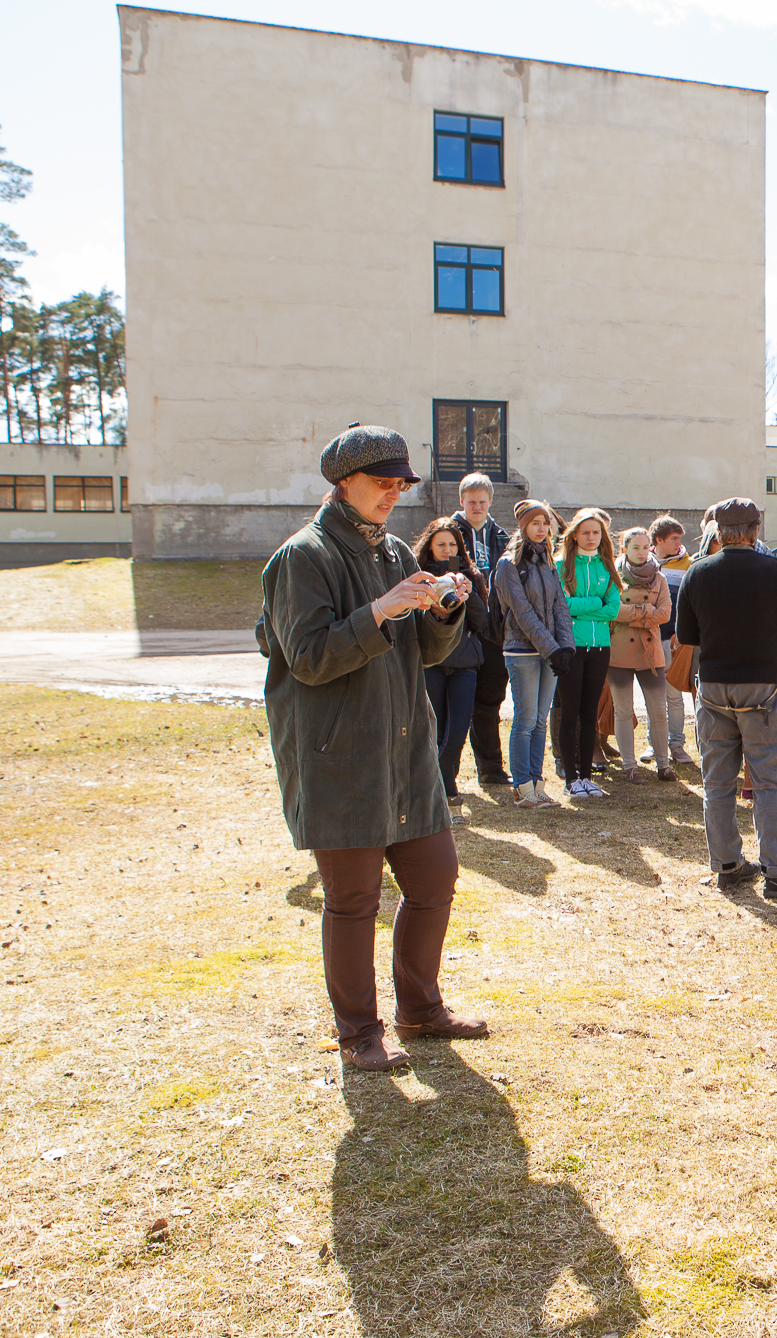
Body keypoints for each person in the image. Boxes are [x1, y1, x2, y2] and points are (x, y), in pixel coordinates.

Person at [259, 425, 487, 1073]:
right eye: (382, 481)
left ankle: (420, 1008)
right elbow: (305, 657)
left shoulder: (390, 552)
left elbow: (420, 652)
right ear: (343, 483)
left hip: (405, 751)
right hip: (340, 757)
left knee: (435, 878)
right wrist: (381, 611)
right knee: (353, 901)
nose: (394, 492)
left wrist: (442, 612)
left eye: (400, 483)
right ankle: (359, 1032)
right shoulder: (302, 556)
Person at [674, 497, 777, 896]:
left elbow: (686, 635)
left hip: (714, 685)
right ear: (756, 530)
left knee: (717, 782)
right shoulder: (772, 568)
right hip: (761, 685)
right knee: (771, 781)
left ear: (717, 533)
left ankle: (727, 865)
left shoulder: (698, 572)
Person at [492, 501, 574, 808]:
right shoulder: (508, 565)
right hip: (522, 651)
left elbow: (559, 608)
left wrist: (565, 647)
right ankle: (522, 786)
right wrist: (553, 648)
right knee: (525, 720)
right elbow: (523, 613)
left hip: (550, 652)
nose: (542, 528)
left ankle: (538, 784)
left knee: (541, 720)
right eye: (536, 522)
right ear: (524, 525)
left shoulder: (548, 562)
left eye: (546, 523)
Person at [412, 517, 492, 814]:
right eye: (441, 544)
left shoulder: (472, 575)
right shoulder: (417, 576)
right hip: (431, 662)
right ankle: (445, 789)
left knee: (458, 730)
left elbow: (482, 623)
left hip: (465, 664)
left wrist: (466, 590)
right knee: (437, 728)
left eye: (452, 544)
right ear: (429, 546)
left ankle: (441, 783)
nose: (447, 550)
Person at [447, 473, 512, 793]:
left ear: (490, 503)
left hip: (493, 630)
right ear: (461, 501)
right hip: (458, 628)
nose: (476, 506)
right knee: (454, 704)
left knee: (490, 700)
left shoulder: (500, 535)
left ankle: (490, 768)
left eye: (482, 502)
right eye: (471, 501)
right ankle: (447, 775)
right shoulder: (447, 533)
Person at [552, 508, 622, 799]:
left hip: (601, 648)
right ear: (575, 535)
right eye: (585, 532)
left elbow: (613, 609)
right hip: (572, 647)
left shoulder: (607, 566)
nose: (591, 537)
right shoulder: (561, 565)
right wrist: (594, 603)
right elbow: (563, 607)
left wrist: (584, 605)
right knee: (570, 713)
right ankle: (571, 779)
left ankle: (586, 776)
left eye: (596, 532)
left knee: (589, 713)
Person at [607, 527, 676, 784]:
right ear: (624, 549)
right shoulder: (613, 575)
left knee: (659, 710)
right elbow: (612, 611)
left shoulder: (659, 577)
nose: (641, 552)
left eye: (645, 547)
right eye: (635, 547)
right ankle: (629, 766)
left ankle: (664, 765)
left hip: (650, 651)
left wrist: (633, 613)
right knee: (623, 710)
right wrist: (645, 610)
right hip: (620, 650)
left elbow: (665, 614)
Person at [650, 516, 697, 767]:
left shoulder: (688, 564)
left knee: (674, 695)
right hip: (647, 639)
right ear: (658, 540)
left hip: (672, 639)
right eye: (674, 539)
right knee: (652, 695)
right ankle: (653, 743)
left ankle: (677, 743)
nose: (680, 543)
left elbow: (687, 603)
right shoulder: (644, 562)